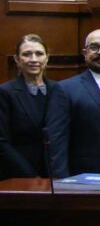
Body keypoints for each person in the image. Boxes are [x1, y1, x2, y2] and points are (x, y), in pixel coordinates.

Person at [47, 29, 100, 177]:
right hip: (86, 180)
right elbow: (57, 140)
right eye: (94, 47)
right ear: (85, 53)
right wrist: (61, 182)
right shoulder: (65, 89)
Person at [0, 35, 56, 179]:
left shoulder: (59, 89)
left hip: (55, 172)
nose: (33, 59)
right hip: (19, 173)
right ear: (17, 59)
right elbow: (2, 142)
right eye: (26, 54)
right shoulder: (5, 92)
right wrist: (30, 176)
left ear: (47, 57)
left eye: (39, 54)